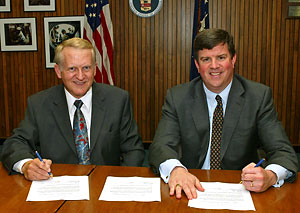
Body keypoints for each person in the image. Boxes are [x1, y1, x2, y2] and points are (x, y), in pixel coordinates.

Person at [149, 28, 298, 200]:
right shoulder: (178, 97)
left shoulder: (258, 97)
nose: (214, 66)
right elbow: (160, 146)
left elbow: (283, 152)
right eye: (206, 59)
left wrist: (270, 176)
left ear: (233, 59)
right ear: (197, 65)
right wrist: (176, 170)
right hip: (191, 189)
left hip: (241, 191)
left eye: (221, 57)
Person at [1, 38, 145, 180]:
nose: (81, 76)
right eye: (72, 69)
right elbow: (15, 143)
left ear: (95, 69)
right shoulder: (39, 104)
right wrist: (26, 166)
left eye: (86, 68)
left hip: (105, 186)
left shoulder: (117, 100)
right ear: (58, 71)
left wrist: (122, 182)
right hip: (57, 187)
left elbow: (133, 149)